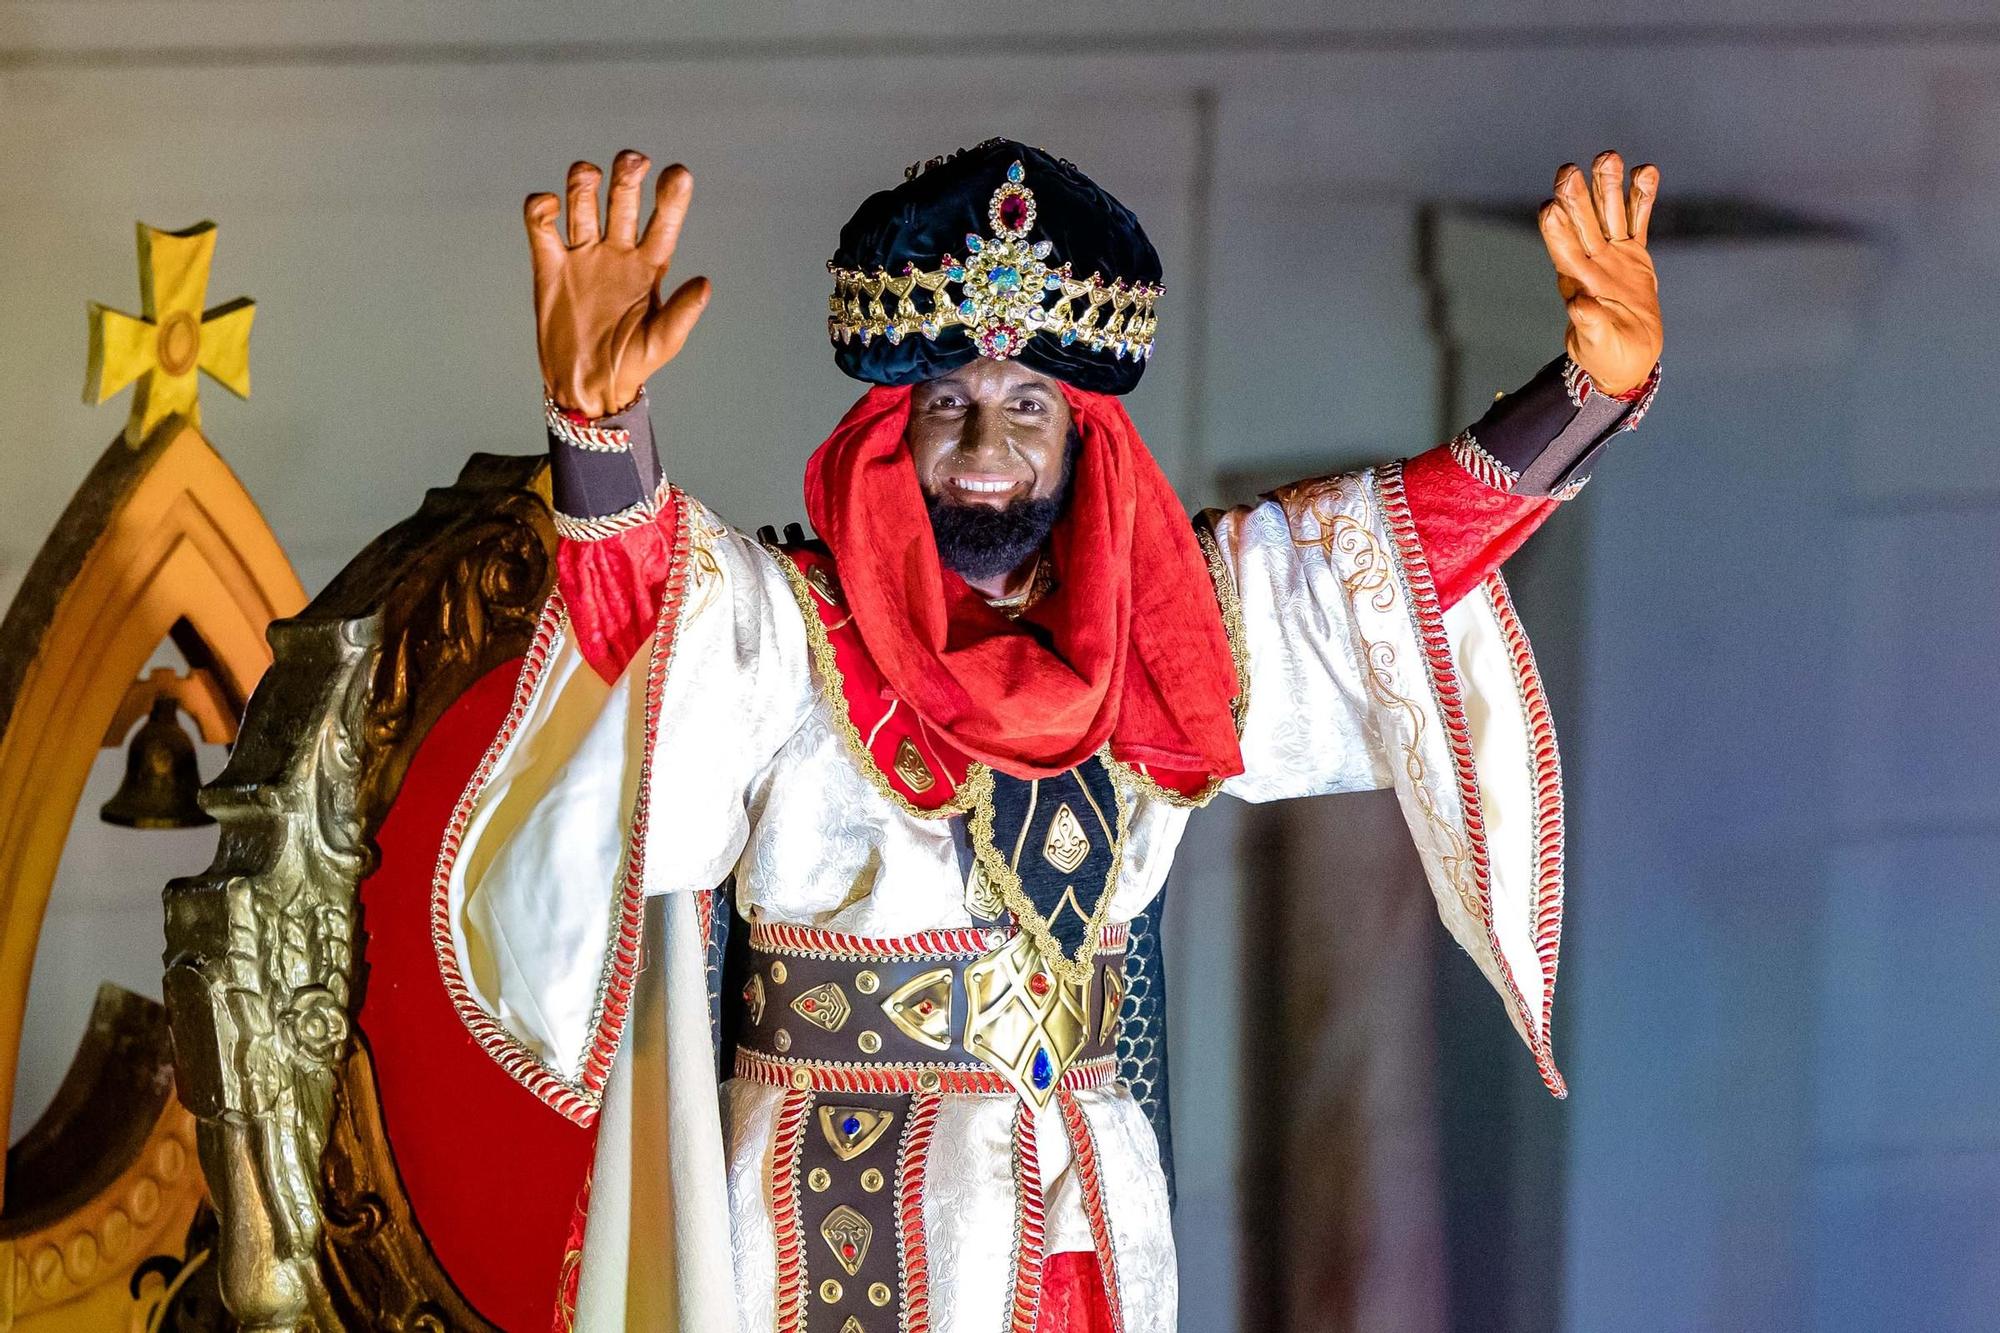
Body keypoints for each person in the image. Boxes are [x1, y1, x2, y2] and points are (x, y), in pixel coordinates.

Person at [432, 138, 1663, 1332]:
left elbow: (1385, 559)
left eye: (1027, 403)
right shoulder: (788, 626)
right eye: (946, 403)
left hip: (1083, 1208)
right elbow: (640, 613)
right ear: (887, 433)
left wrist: (1585, 395)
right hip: (833, 1209)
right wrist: (596, 426)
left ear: (1083, 435)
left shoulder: (1171, 631)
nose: (983, 447)